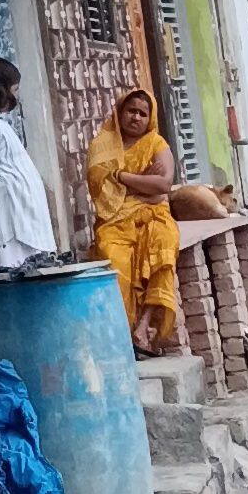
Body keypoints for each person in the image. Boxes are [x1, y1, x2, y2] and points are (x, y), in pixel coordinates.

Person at [88, 89, 181, 354]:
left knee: (163, 242)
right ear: (120, 112)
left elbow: (163, 186)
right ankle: (121, 335)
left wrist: (121, 176)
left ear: (150, 118)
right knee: (112, 256)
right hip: (113, 220)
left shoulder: (156, 144)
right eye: (131, 111)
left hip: (154, 215)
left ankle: (144, 327)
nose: (136, 117)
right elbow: (102, 191)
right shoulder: (102, 146)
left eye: (143, 113)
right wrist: (144, 183)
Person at [0, 56, 58, 272]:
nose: (16, 97)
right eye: (14, 90)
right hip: (9, 222)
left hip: (21, 219)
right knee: (15, 274)